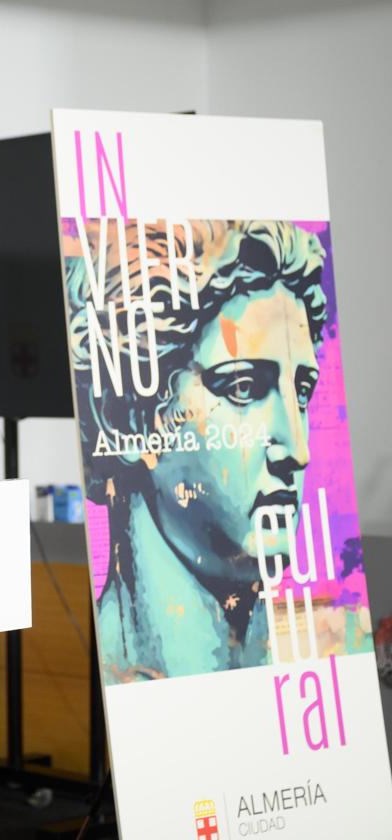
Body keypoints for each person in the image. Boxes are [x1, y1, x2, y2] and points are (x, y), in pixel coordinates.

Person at [64, 219, 338, 682]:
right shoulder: (106, 671)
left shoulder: (328, 651)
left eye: (303, 393)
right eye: (244, 387)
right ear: (129, 417)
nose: (298, 449)